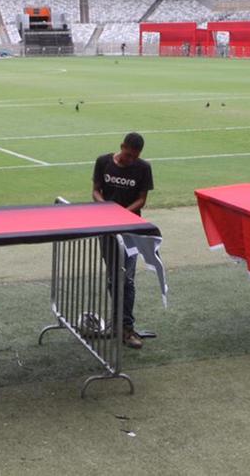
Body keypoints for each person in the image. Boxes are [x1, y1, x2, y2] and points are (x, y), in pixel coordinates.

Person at [92, 132, 154, 349]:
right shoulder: (103, 162)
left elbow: (142, 199)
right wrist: (106, 208)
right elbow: (96, 191)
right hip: (107, 229)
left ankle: (127, 328)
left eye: (135, 157)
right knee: (112, 278)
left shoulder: (143, 168)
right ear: (121, 147)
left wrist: (123, 214)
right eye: (128, 155)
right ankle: (116, 323)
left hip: (129, 230)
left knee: (127, 279)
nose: (130, 160)